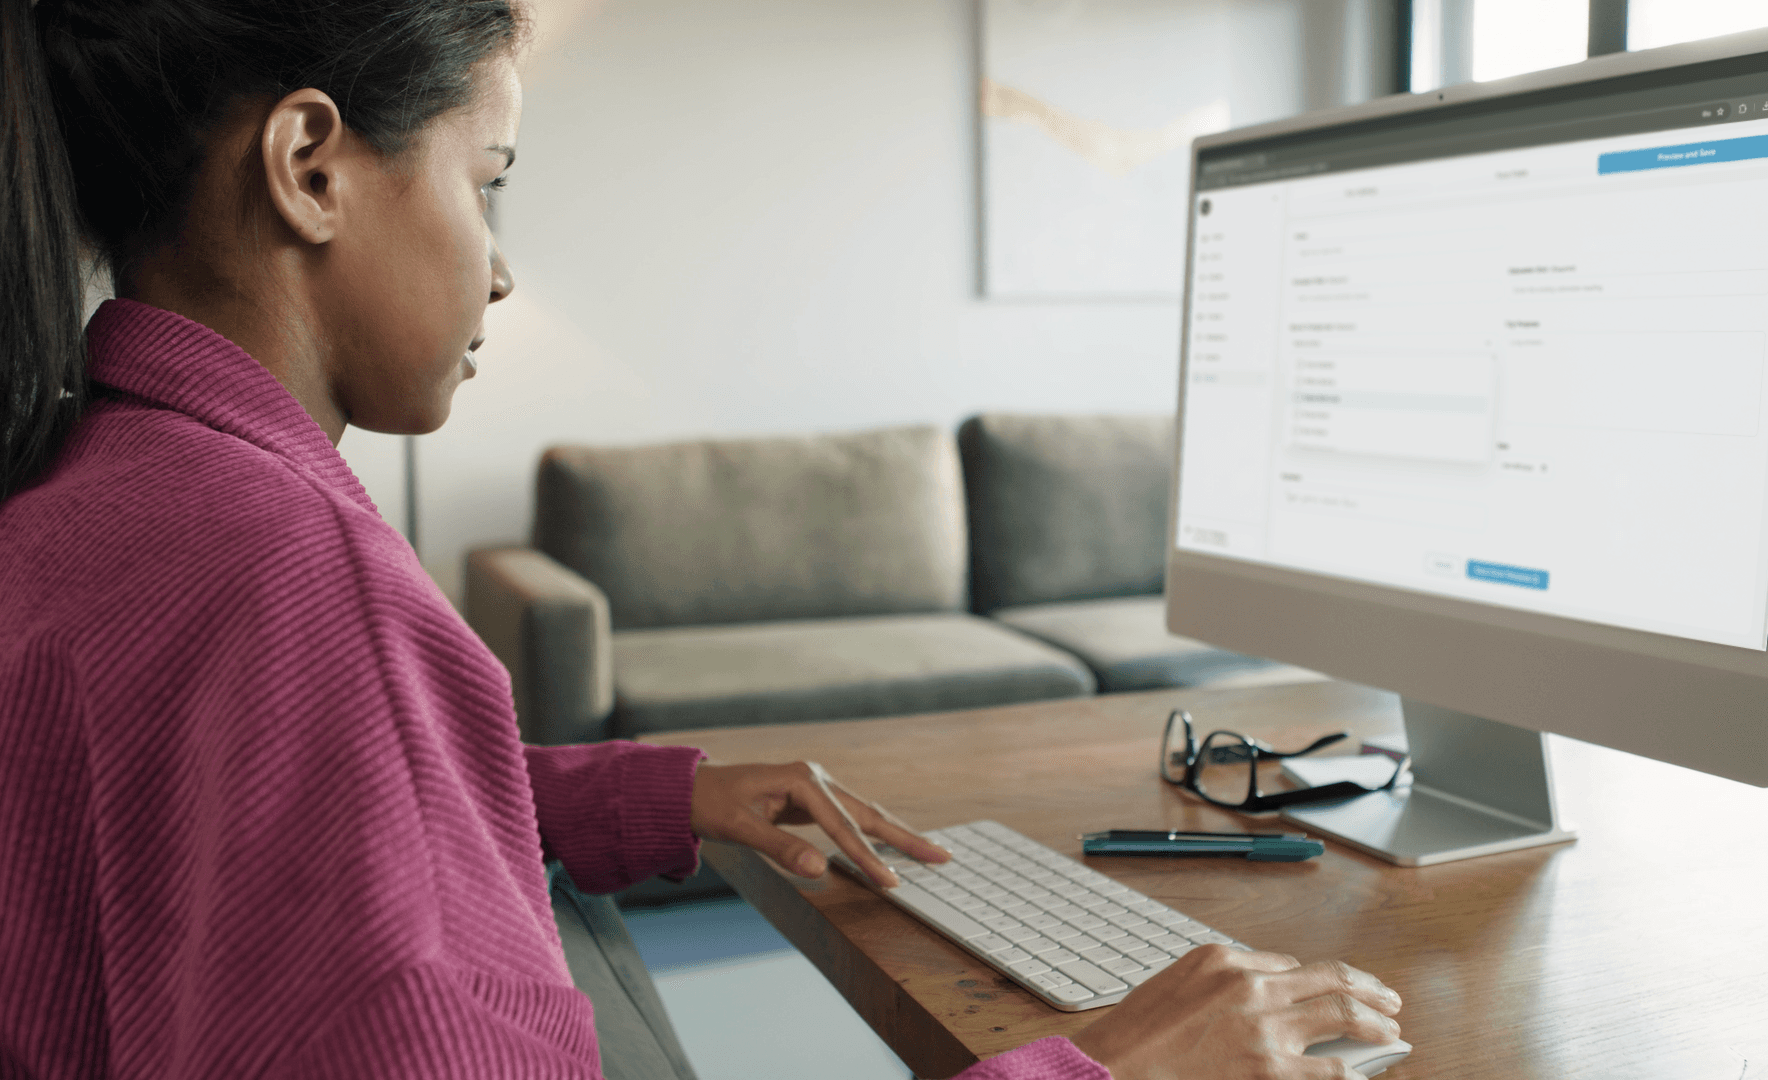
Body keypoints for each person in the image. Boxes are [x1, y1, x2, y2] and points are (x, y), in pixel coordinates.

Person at [0, 1, 1404, 1076]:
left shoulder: (92, 498)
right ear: (311, 168)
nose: (496, 261)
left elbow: (281, 836)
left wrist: (652, 802)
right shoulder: (291, 579)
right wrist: (1107, 1063)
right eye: (486, 178)